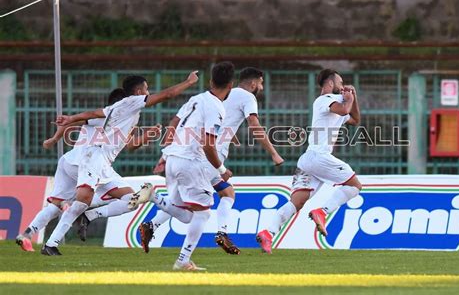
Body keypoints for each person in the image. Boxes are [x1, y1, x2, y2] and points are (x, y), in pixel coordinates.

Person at [40, 71, 199, 256]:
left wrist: (71, 118)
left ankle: (89, 216)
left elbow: (94, 113)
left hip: (102, 163)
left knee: (130, 200)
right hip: (94, 158)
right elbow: (167, 95)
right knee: (82, 200)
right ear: (139, 92)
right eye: (147, 89)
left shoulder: (120, 108)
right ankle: (52, 243)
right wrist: (188, 82)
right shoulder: (132, 102)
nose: (149, 92)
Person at [134, 67, 284, 255]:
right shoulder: (247, 97)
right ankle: (214, 237)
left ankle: (152, 225)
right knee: (202, 208)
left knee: (203, 197)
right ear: (254, 83)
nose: (261, 88)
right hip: (210, 154)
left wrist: (165, 154)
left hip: (186, 152)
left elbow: (176, 123)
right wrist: (273, 153)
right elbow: (254, 125)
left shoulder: (210, 97)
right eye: (261, 83)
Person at [134, 61, 235, 270]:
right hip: (190, 161)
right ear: (231, 85)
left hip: (173, 158)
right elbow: (208, 145)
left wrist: (165, 154)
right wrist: (222, 170)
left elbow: (173, 123)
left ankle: (182, 258)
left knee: (186, 212)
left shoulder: (196, 99)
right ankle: (181, 260)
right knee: (203, 214)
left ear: (210, 81)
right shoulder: (217, 107)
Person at [256, 69, 362, 254]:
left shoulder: (337, 102)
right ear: (330, 84)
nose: (342, 85)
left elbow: (354, 119)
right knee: (354, 185)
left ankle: (268, 232)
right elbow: (345, 109)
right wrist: (348, 99)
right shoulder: (325, 100)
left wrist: (353, 96)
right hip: (319, 156)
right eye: (340, 82)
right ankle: (323, 211)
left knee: (296, 202)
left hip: (309, 159)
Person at [15, 88, 131, 251]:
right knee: (127, 199)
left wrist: (54, 139)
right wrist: (54, 138)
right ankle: (56, 240)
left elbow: (131, 144)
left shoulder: (119, 122)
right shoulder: (106, 118)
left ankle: (27, 233)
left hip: (70, 161)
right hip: (89, 164)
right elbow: (70, 121)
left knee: (55, 205)